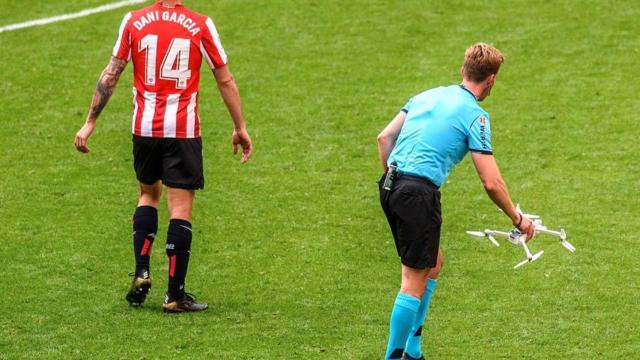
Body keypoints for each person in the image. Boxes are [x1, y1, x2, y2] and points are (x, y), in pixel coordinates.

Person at [74, 0, 253, 313]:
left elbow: (112, 73)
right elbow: (225, 79)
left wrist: (90, 122)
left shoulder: (134, 20)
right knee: (180, 206)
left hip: (144, 128)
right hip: (182, 131)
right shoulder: (200, 24)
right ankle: (174, 295)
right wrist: (240, 126)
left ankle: (142, 271)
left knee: (147, 194)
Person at [376, 43, 535, 359]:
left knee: (433, 261)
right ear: (490, 80)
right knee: (412, 281)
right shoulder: (476, 116)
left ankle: (414, 349)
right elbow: (491, 182)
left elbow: (384, 138)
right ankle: (394, 357)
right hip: (417, 193)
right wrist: (517, 218)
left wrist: (397, 182)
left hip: (390, 185)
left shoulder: (425, 96)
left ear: (463, 70)